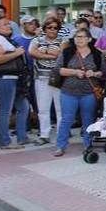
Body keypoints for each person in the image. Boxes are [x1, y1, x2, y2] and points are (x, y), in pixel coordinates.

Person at [54, 29, 102, 157]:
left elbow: (102, 72)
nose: (78, 39)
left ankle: (88, 144)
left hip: (89, 92)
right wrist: (75, 72)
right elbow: (59, 69)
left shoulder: (96, 54)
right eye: (76, 37)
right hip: (68, 91)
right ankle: (60, 146)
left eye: (81, 37)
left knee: (88, 119)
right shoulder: (67, 52)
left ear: (89, 39)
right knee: (67, 119)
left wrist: (94, 73)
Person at [0, 16, 30, 150]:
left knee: (23, 107)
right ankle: (5, 141)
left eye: (8, 24)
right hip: (5, 79)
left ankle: (22, 137)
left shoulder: (4, 39)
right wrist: (16, 53)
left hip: (13, 79)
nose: (9, 26)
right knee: (5, 110)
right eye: (4, 24)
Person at [29, 17, 64, 145]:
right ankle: (44, 134)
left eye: (55, 27)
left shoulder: (63, 40)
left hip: (58, 78)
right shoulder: (36, 39)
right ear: (44, 28)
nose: (52, 30)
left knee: (60, 108)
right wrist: (52, 54)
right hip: (41, 78)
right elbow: (32, 53)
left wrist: (42, 52)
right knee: (43, 108)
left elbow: (63, 53)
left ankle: (61, 134)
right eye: (50, 27)